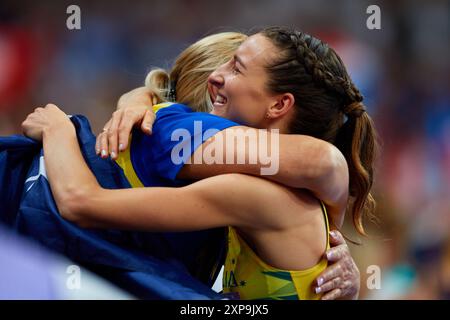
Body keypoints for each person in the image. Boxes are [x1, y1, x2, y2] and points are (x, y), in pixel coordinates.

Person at [22, 27, 376, 299]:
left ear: (279, 105)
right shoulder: (274, 187)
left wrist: (60, 129)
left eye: (237, 68)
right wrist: (139, 100)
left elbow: (79, 202)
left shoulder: (253, 191)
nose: (217, 77)